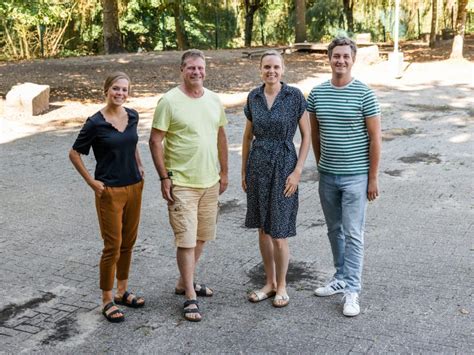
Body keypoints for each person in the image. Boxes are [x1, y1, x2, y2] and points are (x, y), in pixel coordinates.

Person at [149, 49, 228, 322]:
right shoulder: (169, 101)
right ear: (182, 70)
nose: (196, 72)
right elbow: (155, 140)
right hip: (181, 182)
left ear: (206, 70)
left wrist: (225, 172)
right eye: (191, 68)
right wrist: (164, 177)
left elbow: (220, 136)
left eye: (200, 68)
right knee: (186, 238)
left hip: (210, 180)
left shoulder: (214, 100)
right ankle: (190, 297)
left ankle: (185, 281)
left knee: (202, 235)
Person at [307, 37, 382, 317]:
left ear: (353, 59)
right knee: (333, 230)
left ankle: (352, 289)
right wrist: (320, 164)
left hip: (356, 177)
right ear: (329, 59)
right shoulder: (316, 94)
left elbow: (375, 139)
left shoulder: (365, 94)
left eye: (345, 56)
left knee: (353, 233)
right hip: (328, 176)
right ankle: (340, 277)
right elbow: (314, 133)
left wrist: (372, 178)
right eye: (336, 56)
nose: (340, 61)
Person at [69, 72, 145, 323]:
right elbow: (74, 153)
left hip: (134, 186)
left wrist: (140, 164)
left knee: (128, 243)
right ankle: (107, 299)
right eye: (116, 88)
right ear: (106, 90)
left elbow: (132, 142)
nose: (120, 93)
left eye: (124, 89)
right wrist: (92, 182)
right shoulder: (95, 123)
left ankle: (123, 292)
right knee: (112, 246)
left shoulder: (132, 116)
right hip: (109, 191)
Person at [242, 50, 311, 308]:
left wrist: (297, 171)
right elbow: (248, 137)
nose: (271, 71)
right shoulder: (254, 96)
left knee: (279, 230)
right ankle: (269, 283)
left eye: (276, 67)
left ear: (283, 69)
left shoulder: (294, 96)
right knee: (262, 228)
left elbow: (306, 137)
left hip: (284, 166)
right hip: (258, 165)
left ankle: (282, 285)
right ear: (261, 69)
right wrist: (243, 171)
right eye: (266, 67)